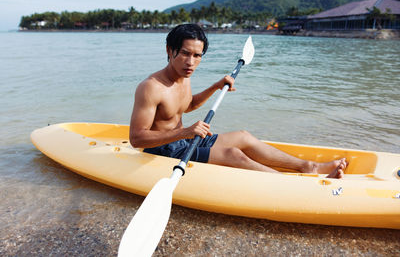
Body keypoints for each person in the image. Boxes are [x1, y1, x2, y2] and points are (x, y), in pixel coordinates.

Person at [129, 24, 346, 178]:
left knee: (243, 136)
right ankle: (290, 183)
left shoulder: (184, 77)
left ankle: (308, 166)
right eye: (185, 53)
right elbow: (137, 139)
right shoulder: (150, 87)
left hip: (184, 140)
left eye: (197, 55)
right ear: (169, 50)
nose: (191, 62)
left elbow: (186, 105)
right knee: (233, 154)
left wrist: (215, 86)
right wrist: (185, 132)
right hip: (162, 150)